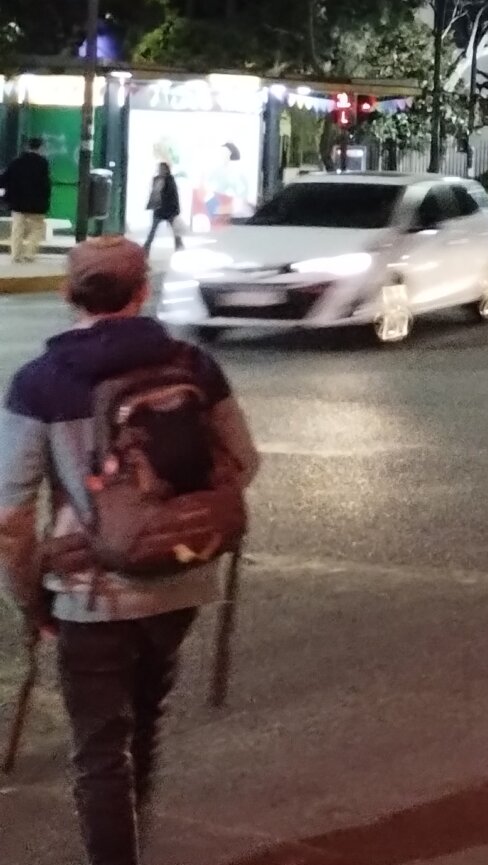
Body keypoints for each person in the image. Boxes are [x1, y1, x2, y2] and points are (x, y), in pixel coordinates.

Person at [2, 236, 260, 865]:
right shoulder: (194, 367)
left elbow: (11, 517)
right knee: (143, 722)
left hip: (90, 596)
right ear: (143, 291)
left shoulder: (41, 382)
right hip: (181, 577)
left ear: (68, 294)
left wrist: (31, 601)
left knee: (99, 752)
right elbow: (244, 462)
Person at [5, 138, 50, 265]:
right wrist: (46, 200)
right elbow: (45, 184)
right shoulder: (43, 163)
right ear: (40, 147)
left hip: (18, 202)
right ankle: (29, 254)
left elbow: (5, 178)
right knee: (37, 228)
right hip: (37, 203)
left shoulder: (16, 161)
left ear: (27, 147)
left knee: (17, 229)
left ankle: (16, 255)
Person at [142, 164, 183, 253]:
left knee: (174, 230)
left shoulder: (170, 180)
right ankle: (146, 248)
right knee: (153, 231)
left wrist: (176, 209)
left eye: (162, 169)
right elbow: (154, 194)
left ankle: (178, 246)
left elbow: (174, 196)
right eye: (160, 169)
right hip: (159, 209)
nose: (161, 170)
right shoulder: (157, 179)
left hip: (169, 210)